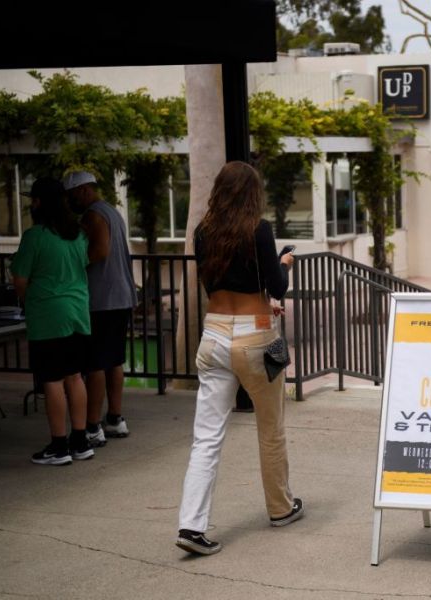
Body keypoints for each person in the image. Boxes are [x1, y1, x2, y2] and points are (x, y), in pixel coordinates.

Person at [176, 161, 300, 556]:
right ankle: (280, 508)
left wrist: (261, 306)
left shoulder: (202, 232)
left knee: (206, 437)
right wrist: (284, 262)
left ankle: (191, 526)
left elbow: (217, 286)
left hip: (213, 336)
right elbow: (277, 286)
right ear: (253, 194)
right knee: (271, 427)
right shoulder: (259, 230)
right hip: (256, 339)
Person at [10, 177, 93, 465]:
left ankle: (58, 446)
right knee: (75, 376)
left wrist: (28, 298)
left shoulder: (35, 236)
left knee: (52, 380)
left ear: (39, 203)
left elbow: (20, 280)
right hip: (78, 311)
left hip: (48, 314)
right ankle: (81, 441)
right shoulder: (78, 234)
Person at [64, 171, 137, 447]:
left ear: (82, 191)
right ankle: (115, 418)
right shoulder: (111, 212)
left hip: (102, 299)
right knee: (114, 361)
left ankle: (92, 425)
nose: (70, 203)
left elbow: (100, 251)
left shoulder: (93, 215)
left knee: (94, 364)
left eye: (71, 197)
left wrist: (71, 265)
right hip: (121, 296)